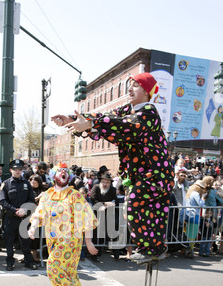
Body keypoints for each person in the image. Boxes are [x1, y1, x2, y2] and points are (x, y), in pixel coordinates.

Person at [52, 72, 174, 264]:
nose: (130, 89)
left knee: (135, 204)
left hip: (156, 173)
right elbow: (106, 117)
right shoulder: (128, 109)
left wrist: (91, 124)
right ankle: (154, 248)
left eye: (135, 85)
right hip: (139, 175)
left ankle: (151, 248)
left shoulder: (148, 113)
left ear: (146, 91)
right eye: (130, 85)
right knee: (151, 211)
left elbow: (126, 126)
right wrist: (72, 119)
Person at [28, 162, 98, 286]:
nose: (63, 173)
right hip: (53, 239)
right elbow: (40, 212)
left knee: (53, 266)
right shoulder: (47, 195)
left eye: (65, 171)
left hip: (70, 239)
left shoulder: (75, 195)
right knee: (68, 268)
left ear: (69, 176)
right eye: (60, 171)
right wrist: (33, 227)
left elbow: (86, 217)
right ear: (54, 175)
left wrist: (89, 241)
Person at [0, 159, 38, 271]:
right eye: (15, 169)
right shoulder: (6, 184)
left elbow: (32, 199)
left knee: (25, 242)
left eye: (20, 169)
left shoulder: (26, 184)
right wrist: (15, 210)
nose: (18, 171)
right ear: (11, 170)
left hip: (24, 218)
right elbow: (3, 201)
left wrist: (24, 209)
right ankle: (10, 263)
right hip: (10, 218)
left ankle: (28, 262)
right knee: (9, 242)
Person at [90, 171, 117, 260]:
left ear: (110, 183)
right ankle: (94, 255)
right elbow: (93, 198)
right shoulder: (96, 188)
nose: (105, 184)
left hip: (108, 215)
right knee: (95, 235)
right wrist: (105, 204)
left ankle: (102, 253)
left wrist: (110, 203)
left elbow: (114, 201)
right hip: (96, 215)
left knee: (105, 234)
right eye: (103, 182)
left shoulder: (112, 190)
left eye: (107, 182)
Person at [185, 180, 207, 258]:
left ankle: (187, 249)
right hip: (194, 215)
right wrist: (203, 198)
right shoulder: (196, 194)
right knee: (193, 234)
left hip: (188, 214)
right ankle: (190, 250)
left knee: (188, 233)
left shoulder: (189, 192)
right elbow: (200, 204)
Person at [29, 174, 45, 264]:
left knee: (37, 237)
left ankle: (36, 255)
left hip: (40, 217)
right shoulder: (28, 190)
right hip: (30, 215)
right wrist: (38, 197)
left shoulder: (42, 190)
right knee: (30, 237)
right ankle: (30, 255)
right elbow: (29, 201)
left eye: (35, 181)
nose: (33, 182)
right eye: (31, 181)